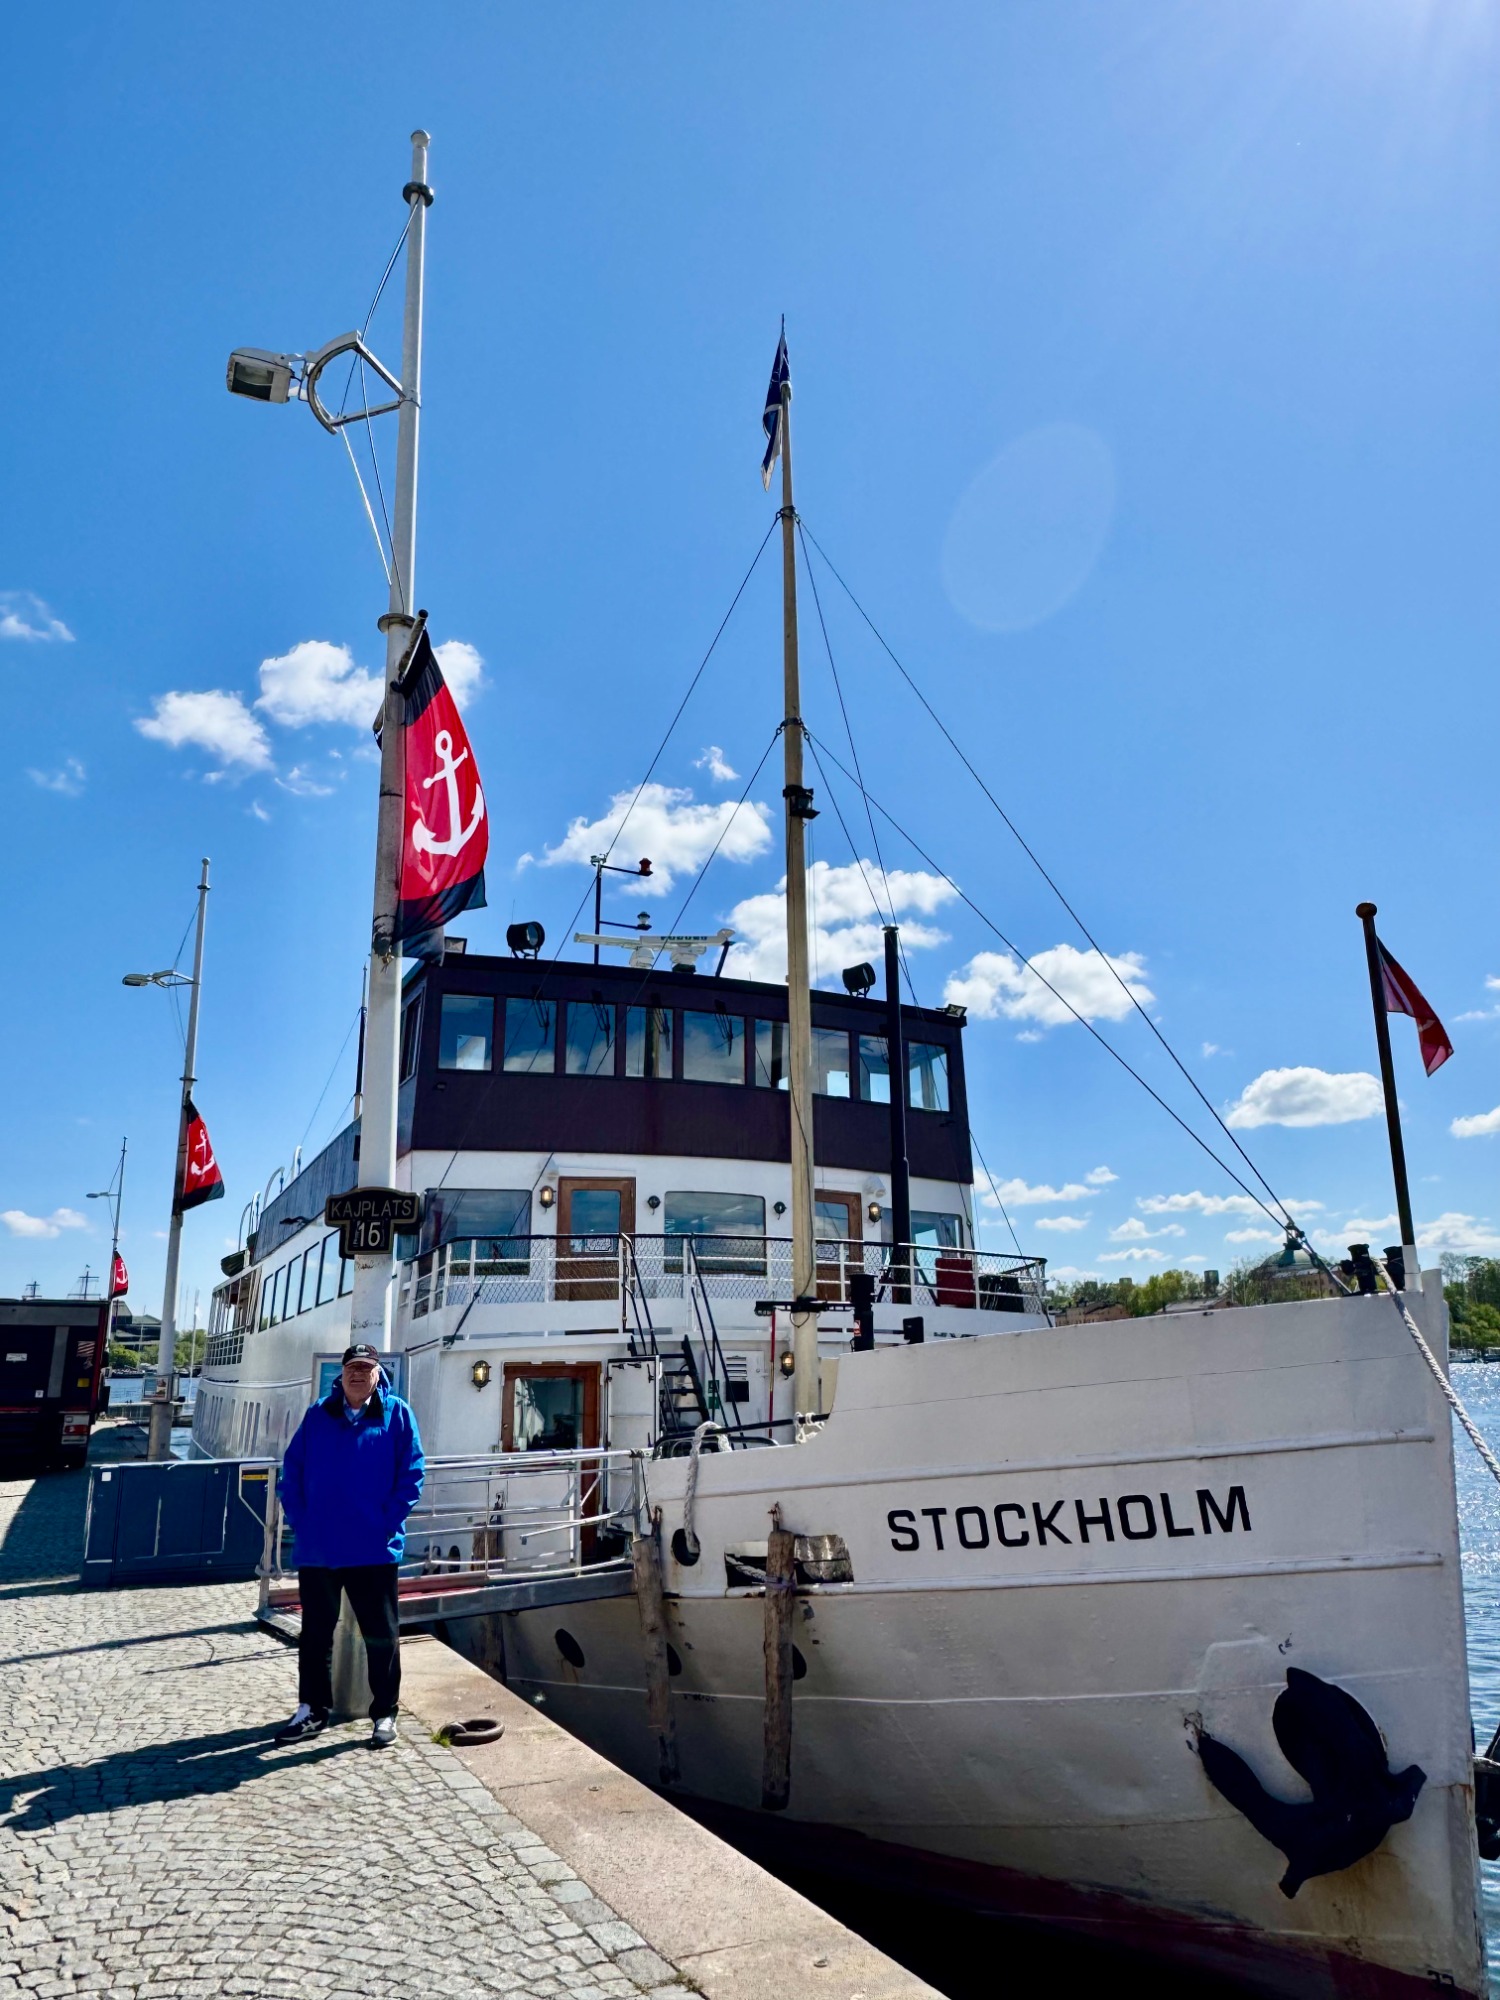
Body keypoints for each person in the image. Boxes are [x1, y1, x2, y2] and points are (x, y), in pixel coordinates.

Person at [273, 1343, 425, 1750]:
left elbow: (412, 1474)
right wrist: (303, 1522)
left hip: (373, 1548)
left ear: (377, 1375)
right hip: (319, 1548)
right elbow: (292, 1470)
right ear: (341, 1376)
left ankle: (385, 1713)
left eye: (365, 1368)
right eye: (351, 1368)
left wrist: (385, 1522)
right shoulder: (317, 1415)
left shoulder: (397, 1414)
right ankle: (312, 1709)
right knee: (315, 1634)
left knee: (382, 1634)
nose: (358, 1374)